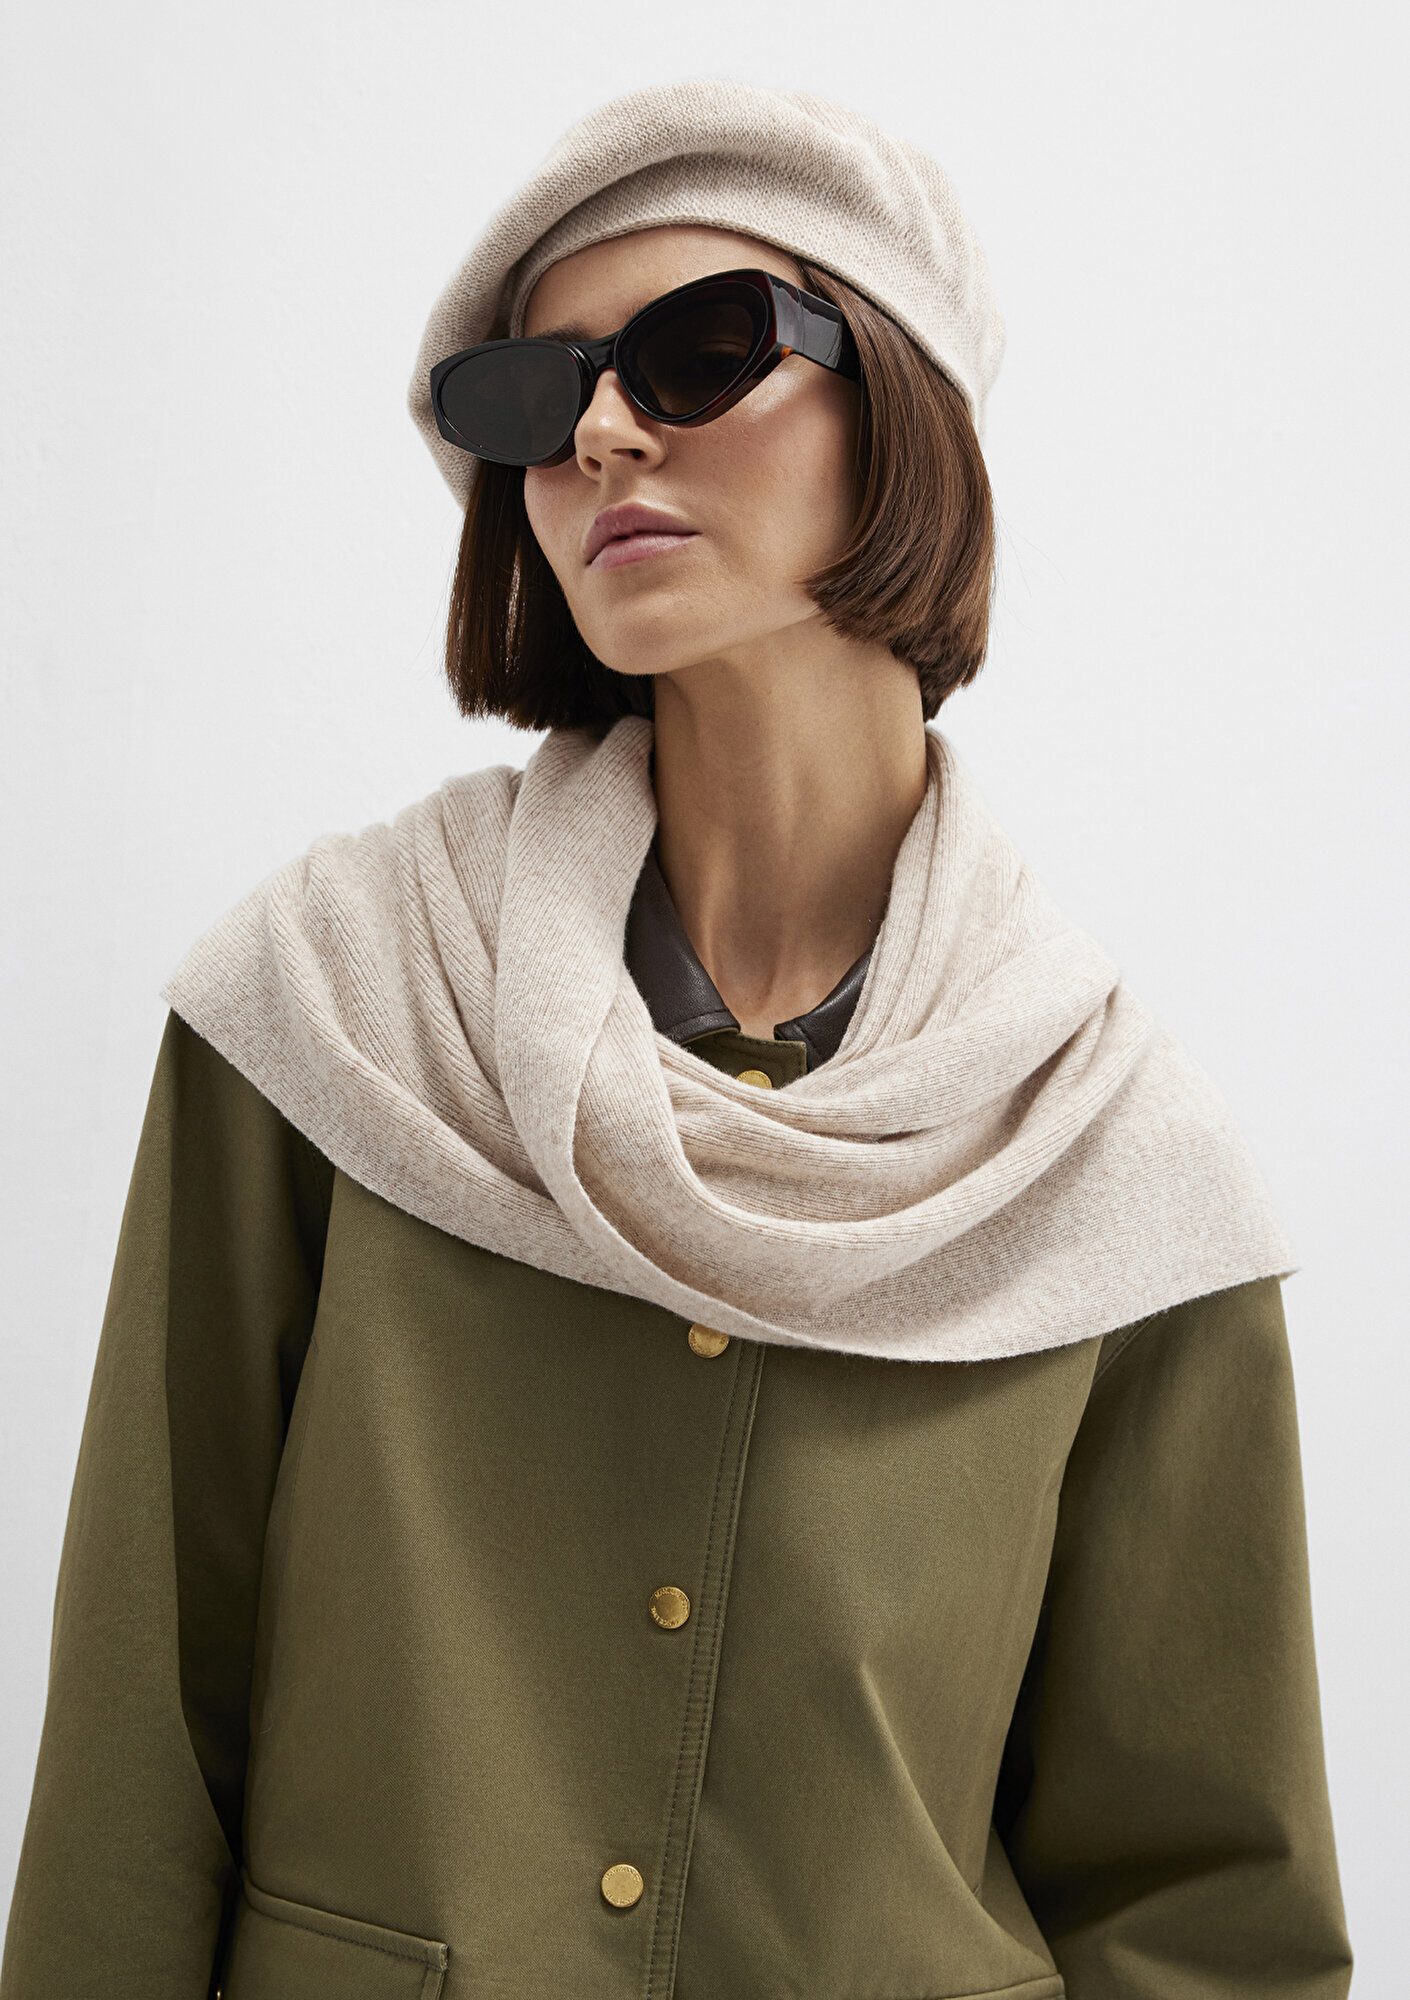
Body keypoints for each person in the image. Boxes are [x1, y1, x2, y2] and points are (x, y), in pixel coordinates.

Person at [1, 82, 1351, 2000]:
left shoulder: (1110, 1156)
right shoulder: (332, 1012)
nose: (601, 433)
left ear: (898, 406)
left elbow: (1201, 1911)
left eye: (697, 352)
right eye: (534, 397)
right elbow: (140, 1744)